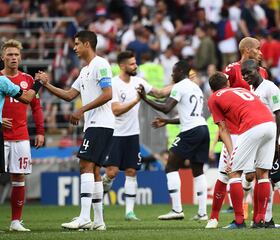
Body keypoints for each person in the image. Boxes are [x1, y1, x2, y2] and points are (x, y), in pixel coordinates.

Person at [41, 30, 114, 230]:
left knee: (84, 165)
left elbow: (108, 94)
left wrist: (81, 109)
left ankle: (84, 217)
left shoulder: (101, 64)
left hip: (101, 123)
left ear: (87, 44)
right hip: (96, 124)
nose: (74, 48)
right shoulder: (84, 70)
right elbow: (69, 94)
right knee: (95, 171)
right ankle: (99, 222)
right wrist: (46, 84)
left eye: (76, 44)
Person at [101, 50, 171, 221]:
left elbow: (160, 93)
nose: (135, 66)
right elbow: (116, 110)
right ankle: (99, 197)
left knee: (132, 171)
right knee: (112, 172)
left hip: (133, 134)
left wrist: (181, 84)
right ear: (122, 66)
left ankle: (129, 212)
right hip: (115, 134)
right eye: (132, 64)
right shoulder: (114, 84)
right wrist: (137, 100)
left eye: (135, 62)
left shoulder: (139, 82)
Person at [138, 60, 209, 221]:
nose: (172, 75)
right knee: (197, 170)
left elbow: (166, 107)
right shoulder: (196, 88)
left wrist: (144, 98)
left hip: (190, 131)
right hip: (202, 129)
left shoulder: (180, 86)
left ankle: (177, 209)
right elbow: (188, 115)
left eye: (174, 72)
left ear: (181, 72)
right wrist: (167, 122)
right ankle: (203, 213)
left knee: (170, 165)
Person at [208, 36, 267, 223]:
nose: (260, 52)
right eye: (257, 48)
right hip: (234, 131)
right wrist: (220, 132)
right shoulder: (231, 70)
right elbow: (219, 95)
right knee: (225, 173)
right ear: (247, 50)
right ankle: (214, 218)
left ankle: (253, 214)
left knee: (252, 174)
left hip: (254, 127)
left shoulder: (263, 72)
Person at [207, 70, 275, 229]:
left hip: (250, 128)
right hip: (270, 124)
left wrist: (232, 154)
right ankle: (259, 220)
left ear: (212, 89)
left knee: (233, 173)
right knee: (263, 173)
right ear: (228, 83)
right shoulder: (243, 89)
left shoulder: (214, 98)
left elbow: (222, 129)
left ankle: (238, 221)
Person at [242, 59, 280, 228]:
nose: (246, 76)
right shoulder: (253, 89)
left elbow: (279, 113)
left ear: (258, 70)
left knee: (278, 177)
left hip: (277, 140)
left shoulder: (270, 87)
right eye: (244, 74)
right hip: (265, 141)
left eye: (249, 72)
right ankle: (267, 219)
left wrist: (275, 141)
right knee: (267, 179)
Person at [0, 39, 45, 232]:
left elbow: (35, 105)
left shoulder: (26, 79)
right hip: (1, 136)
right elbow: (28, 96)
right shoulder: (2, 79)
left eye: (16, 55)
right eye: (9, 54)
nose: (13, 58)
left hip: (20, 135)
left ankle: (16, 221)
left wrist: (40, 131)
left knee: (19, 177)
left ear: (21, 57)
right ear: (2, 57)